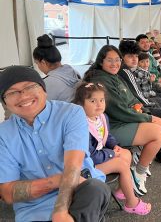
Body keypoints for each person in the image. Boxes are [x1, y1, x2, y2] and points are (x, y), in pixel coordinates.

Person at [0, 66, 110, 222]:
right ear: (4, 102)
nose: (23, 96)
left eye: (30, 87)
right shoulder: (3, 135)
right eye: (12, 92)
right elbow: (7, 192)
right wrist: (56, 181)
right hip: (34, 210)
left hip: (80, 193)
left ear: (44, 90)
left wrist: (60, 213)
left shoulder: (71, 113)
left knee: (95, 188)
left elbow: (73, 166)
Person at [83, 45, 161, 194]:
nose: (115, 64)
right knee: (158, 132)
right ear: (101, 61)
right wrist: (146, 116)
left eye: (117, 60)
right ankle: (138, 172)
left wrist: (138, 106)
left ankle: (141, 165)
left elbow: (130, 97)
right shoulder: (101, 80)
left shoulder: (113, 76)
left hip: (126, 118)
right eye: (110, 60)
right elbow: (118, 110)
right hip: (112, 128)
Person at [73, 82, 151, 214]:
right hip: (84, 167)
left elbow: (107, 135)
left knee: (126, 154)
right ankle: (131, 203)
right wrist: (112, 154)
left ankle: (122, 189)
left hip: (99, 156)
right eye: (93, 101)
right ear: (81, 104)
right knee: (120, 164)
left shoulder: (102, 117)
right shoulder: (81, 125)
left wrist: (115, 146)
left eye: (102, 100)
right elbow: (90, 156)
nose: (99, 104)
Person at [33, 34, 81, 102]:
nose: (38, 66)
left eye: (37, 63)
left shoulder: (48, 82)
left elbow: (42, 106)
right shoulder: (72, 70)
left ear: (43, 62)